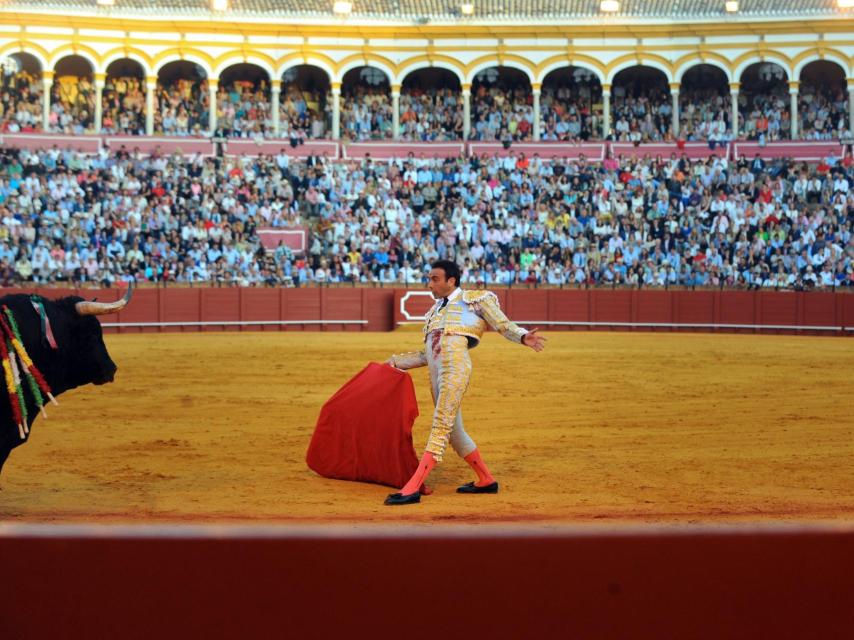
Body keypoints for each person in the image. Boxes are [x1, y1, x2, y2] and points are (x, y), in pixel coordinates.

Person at [383, 259, 546, 506]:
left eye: (434, 279)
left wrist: (523, 336)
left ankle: (412, 487)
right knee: (455, 433)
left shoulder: (475, 299)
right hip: (437, 374)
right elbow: (427, 354)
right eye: (428, 279)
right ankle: (486, 479)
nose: (429, 284)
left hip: (455, 370)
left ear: (451, 281)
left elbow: (502, 324)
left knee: (440, 424)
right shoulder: (434, 313)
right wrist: (393, 363)